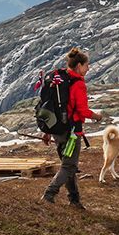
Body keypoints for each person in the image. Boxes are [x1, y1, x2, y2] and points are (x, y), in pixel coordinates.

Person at [41, 47, 98, 208]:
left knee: (69, 166)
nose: (88, 69)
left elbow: (51, 107)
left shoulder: (61, 81)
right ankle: (49, 193)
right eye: (87, 65)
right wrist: (96, 116)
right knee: (69, 166)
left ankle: (74, 200)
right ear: (79, 66)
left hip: (57, 131)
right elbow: (82, 110)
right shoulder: (77, 84)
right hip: (72, 132)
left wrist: (47, 131)